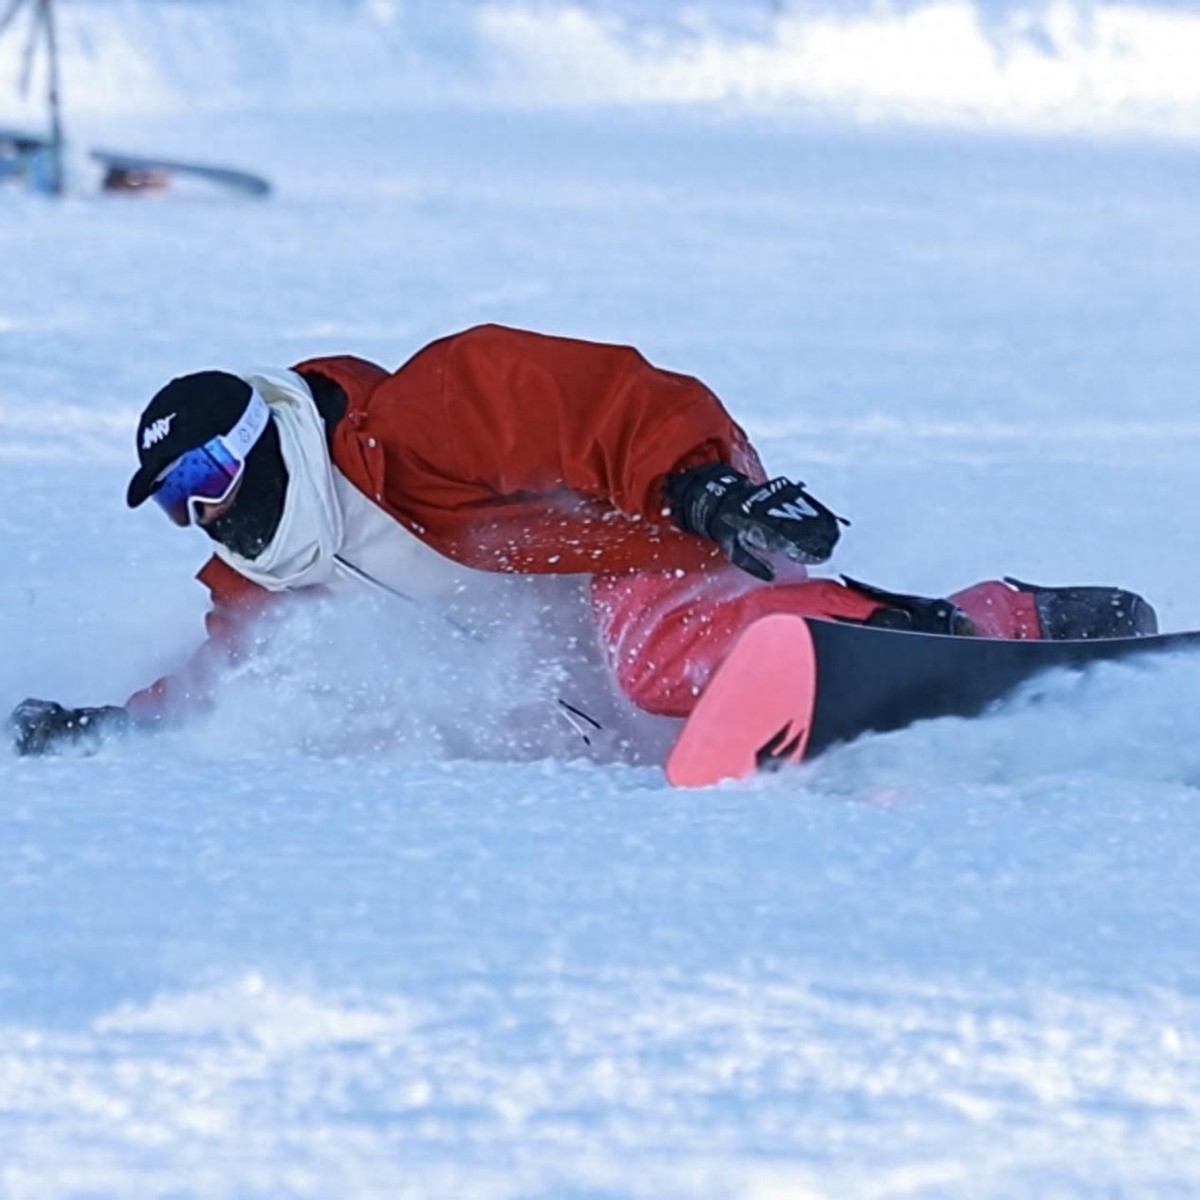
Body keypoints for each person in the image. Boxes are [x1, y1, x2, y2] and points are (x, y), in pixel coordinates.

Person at [9, 323, 1157, 757]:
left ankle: (971, 631)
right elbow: (235, 682)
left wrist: (709, 492)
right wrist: (123, 727)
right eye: (176, 502)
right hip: (599, 609)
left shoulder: (417, 416)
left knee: (657, 661)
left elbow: (598, 404)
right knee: (636, 691)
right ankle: (896, 650)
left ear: (264, 439)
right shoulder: (263, 577)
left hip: (659, 510)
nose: (206, 512)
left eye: (206, 478)